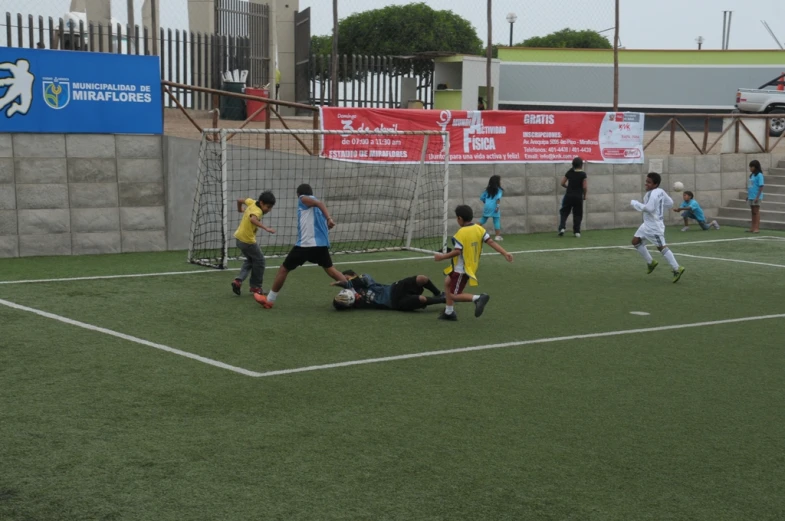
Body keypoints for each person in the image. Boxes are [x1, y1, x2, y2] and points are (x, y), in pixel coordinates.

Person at [255, 183, 350, 308]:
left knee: (284, 269)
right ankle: (354, 291)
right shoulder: (317, 209)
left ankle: (269, 300)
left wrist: (329, 218)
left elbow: (320, 203)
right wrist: (327, 221)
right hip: (320, 245)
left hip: (306, 245)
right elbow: (322, 221)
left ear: (298, 194)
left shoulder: (303, 199)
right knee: (331, 270)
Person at [433, 205, 514, 321]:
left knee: (453, 295)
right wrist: (505, 253)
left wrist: (442, 257)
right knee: (447, 282)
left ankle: (477, 298)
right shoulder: (479, 228)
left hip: (461, 269)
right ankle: (449, 312)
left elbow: (457, 252)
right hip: (466, 266)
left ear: (459, 218)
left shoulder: (461, 233)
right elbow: (490, 242)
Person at [630, 173, 685, 283]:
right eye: (646, 181)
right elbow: (670, 203)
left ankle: (677, 268)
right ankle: (651, 262)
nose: (646, 184)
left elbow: (649, 208)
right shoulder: (660, 191)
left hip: (654, 226)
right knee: (635, 241)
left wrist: (636, 204)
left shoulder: (653, 194)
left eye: (649, 182)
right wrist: (659, 209)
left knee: (661, 247)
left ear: (655, 184)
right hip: (647, 224)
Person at [331, 270, 446, 311]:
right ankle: (442, 299)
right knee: (421, 299)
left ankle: (438, 293)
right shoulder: (355, 302)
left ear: (353, 275)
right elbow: (342, 301)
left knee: (422, 278)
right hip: (394, 304)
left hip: (394, 289)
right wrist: (339, 301)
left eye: (347, 277)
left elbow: (366, 278)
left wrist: (345, 283)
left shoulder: (363, 280)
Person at [231, 191, 276, 296]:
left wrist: (239, 210)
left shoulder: (251, 202)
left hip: (238, 238)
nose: (269, 210)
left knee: (251, 260)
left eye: (270, 207)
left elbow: (239, 200)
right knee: (260, 261)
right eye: (268, 207)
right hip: (247, 241)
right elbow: (253, 219)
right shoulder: (258, 211)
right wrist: (266, 228)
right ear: (261, 203)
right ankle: (256, 287)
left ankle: (238, 281)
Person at [558, 156, 587, 237]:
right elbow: (584, 187)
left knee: (564, 212)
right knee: (578, 214)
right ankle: (577, 232)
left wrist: (568, 187)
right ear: (581, 165)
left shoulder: (570, 172)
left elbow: (562, 183)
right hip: (578, 197)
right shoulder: (583, 174)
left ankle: (562, 228)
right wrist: (584, 196)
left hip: (569, 196)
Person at [479, 175, 504, 241]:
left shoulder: (487, 190)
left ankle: (473, 230)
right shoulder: (499, 190)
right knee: (496, 220)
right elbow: (498, 199)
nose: (501, 182)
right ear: (497, 182)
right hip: (494, 206)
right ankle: (497, 236)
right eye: (500, 180)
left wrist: (486, 203)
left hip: (487, 206)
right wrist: (497, 207)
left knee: (483, 219)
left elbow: (482, 198)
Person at [747, 159, 765, 233]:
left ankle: (757, 228)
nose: (750, 168)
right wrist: (748, 196)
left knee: (756, 212)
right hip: (751, 196)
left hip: (756, 196)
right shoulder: (751, 175)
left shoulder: (759, 175)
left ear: (755, 167)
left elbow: (761, 186)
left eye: (752, 167)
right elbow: (750, 186)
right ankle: (752, 227)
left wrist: (757, 197)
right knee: (752, 212)